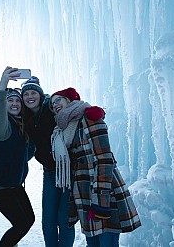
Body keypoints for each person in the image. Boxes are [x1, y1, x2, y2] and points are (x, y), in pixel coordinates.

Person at [50, 87, 141, 247]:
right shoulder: (64, 130)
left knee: (107, 241)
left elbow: (104, 159)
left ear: (69, 100)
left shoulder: (89, 117)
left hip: (102, 191)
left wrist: (101, 199)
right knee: (92, 242)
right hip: (83, 194)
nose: (55, 104)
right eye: (52, 104)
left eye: (58, 99)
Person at [21, 77, 105, 247]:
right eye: (26, 94)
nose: (30, 97)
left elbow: (73, 110)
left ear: (41, 95)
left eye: (33, 93)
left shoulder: (50, 109)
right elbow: (29, 147)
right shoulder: (26, 119)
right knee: (48, 221)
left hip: (69, 171)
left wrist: (93, 112)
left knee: (64, 219)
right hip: (50, 173)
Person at [0, 66, 35, 247]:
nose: (14, 103)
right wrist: (3, 84)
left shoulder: (20, 126)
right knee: (21, 224)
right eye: (10, 100)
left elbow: (23, 154)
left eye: (18, 101)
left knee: (29, 220)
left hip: (12, 184)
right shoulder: (1, 126)